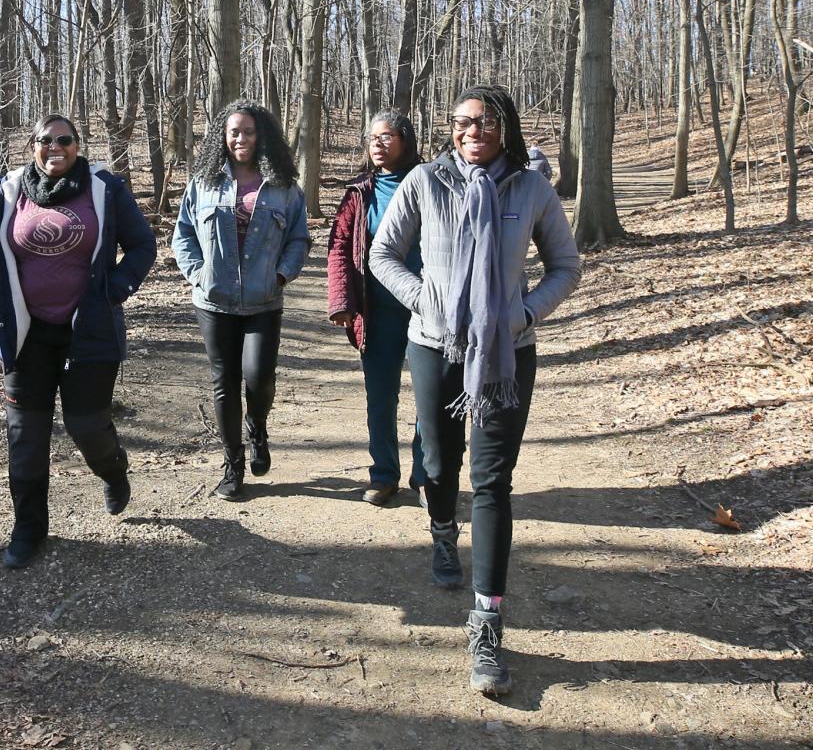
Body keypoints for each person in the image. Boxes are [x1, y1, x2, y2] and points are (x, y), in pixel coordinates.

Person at [369, 85, 580, 696]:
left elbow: (566, 266)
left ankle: (487, 622)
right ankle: (441, 533)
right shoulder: (426, 183)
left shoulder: (531, 188)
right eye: (462, 122)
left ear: (505, 128)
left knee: (492, 481)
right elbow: (385, 255)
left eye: (485, 122)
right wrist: (424, 301)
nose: (472, 131)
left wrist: (524, 315)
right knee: (438, 460)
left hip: (505, 355)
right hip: (434, 347)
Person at [0, 114, 156, 570]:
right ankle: (28, 529)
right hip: (25, 336)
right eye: (46, 140)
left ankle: (113, 469)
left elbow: (143, 246)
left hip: (88, 331)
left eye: (65, 140)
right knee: (25, 436)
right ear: (32, 145)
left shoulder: (104, 188)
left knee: (86, 426)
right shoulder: (9, 189)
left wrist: (114, 290)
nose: (56, 148)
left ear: (77, 145)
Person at [172, 100, 310, 501]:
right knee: (224, 384)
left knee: (258, 377)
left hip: (264, 301)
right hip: (213, 302)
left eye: (248, 131)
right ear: (223, 137)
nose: (241, 139)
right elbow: (182, 236)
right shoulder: (204, 182)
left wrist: (282, 274)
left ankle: (258, 427)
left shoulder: (284, 186)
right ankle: (233, 465)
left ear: (261, 136)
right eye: (234, 132)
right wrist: (199, 274)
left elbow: (299, 238)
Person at [326, 110, 427, 507]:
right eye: (372, 138)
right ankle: (384, 475)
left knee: (430, 397)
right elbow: (339, 247)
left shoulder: (431, 181)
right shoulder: (359, 194)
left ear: (405, 140)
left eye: (386, 137)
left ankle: (426, 477)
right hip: (377, 312)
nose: (377, 144)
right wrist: (342, 302)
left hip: (427, 309)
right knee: (380, 396)